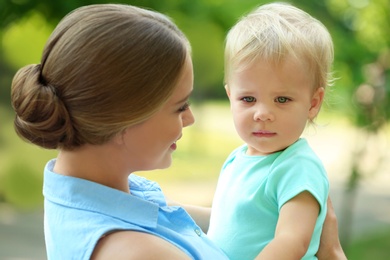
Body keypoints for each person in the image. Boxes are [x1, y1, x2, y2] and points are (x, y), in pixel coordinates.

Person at [10, 3, 345, 260]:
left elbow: (224, 217)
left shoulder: (97, 190)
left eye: (282, 99)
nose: (190, 119)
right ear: (124, 119)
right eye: (179, 106)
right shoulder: (137, 251)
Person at [207, 2, 341, 260]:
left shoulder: (297, 166)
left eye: (281, 100)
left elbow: (292, 241)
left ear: (312, 104)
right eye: (248, 99)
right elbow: (227, 223)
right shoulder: (238, 159)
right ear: (230, 96)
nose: (262, 113)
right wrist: (170, 210)